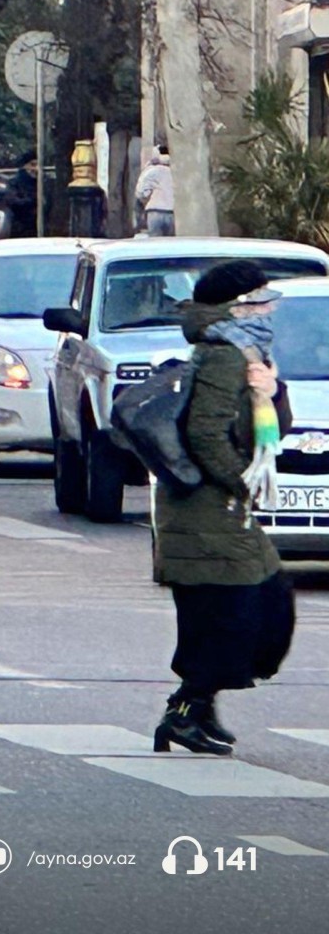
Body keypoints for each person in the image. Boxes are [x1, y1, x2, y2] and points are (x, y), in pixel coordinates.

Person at [151, 259, 295, 754]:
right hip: (205, 509)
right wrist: (241, 481)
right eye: (262, 300)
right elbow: (205, 433)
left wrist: (270, 392)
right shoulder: (223, 354)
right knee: (233, 609)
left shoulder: (246, 351)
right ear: (240, 307)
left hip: (221, 509)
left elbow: (272, 425)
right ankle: (186, 710)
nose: (271, 309)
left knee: (247, 603)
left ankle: (197, 707)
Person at [136, 144, 175, 235]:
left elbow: (141, 192)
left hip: (154, 211)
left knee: (155, 244)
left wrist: (145, 201)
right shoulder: (177, 171)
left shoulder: (151, 171)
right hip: (173, 212)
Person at [0, 151, 39, 237]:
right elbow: (13, 201)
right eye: (32, 165)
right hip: (19, 228)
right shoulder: (14, 183)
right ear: (24, 166)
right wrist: (33, 200)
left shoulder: (42, 183)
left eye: (38, 165)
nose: (36, 169)